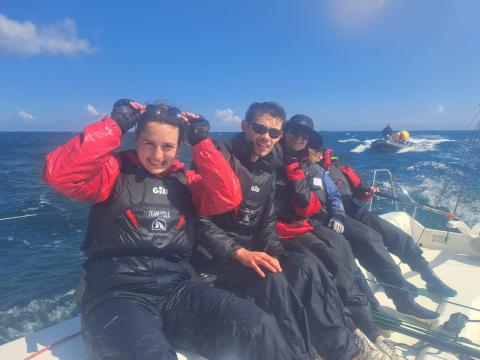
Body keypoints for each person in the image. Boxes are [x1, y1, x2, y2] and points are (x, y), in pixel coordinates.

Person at [43, 100, 296, 360]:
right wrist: (115, 125)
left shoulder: (186, 181)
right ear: (136, 140)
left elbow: (228, 197)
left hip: (175, 289)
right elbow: (59, 174)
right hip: (116, 292)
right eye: (149, 143)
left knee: (257, 326)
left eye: (167, 146)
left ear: (179, 148)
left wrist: (202, 143)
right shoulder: (112, 173)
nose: (157, 155)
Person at [191, 102, 358, 360]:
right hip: (220, 255)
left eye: (274, 133)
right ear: (245, 127)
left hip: (251, 250)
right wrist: (240, 253)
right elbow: (198, 219)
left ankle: (343, 352)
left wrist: (277, 252)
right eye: (259, 128)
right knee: (276, 281)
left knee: (307, 267)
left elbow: (266, 222)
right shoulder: (220, 157)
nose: (266, 137)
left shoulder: (267, 167)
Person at [275, 114, 398, 360]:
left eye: (305, 136)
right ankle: (355, 332)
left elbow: (329, 198)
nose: (299, 138)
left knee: (341, 255)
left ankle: (371, 330)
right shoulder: (273, 162)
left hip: (308, 224)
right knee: (321, 266)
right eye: (294, 133)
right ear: (284, 134)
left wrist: (338, 217)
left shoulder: (314, 169)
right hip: (285, 229)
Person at [315, 146, 457, 319]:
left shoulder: (337, 167)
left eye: (319, 149)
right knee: (371, 240)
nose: (318, 153)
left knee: (398, 236)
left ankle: (430, 278)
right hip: (331, 216)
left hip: (353, 209)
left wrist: (366, 192)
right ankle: (403, 301)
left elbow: (358, 190)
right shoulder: (310, 170)